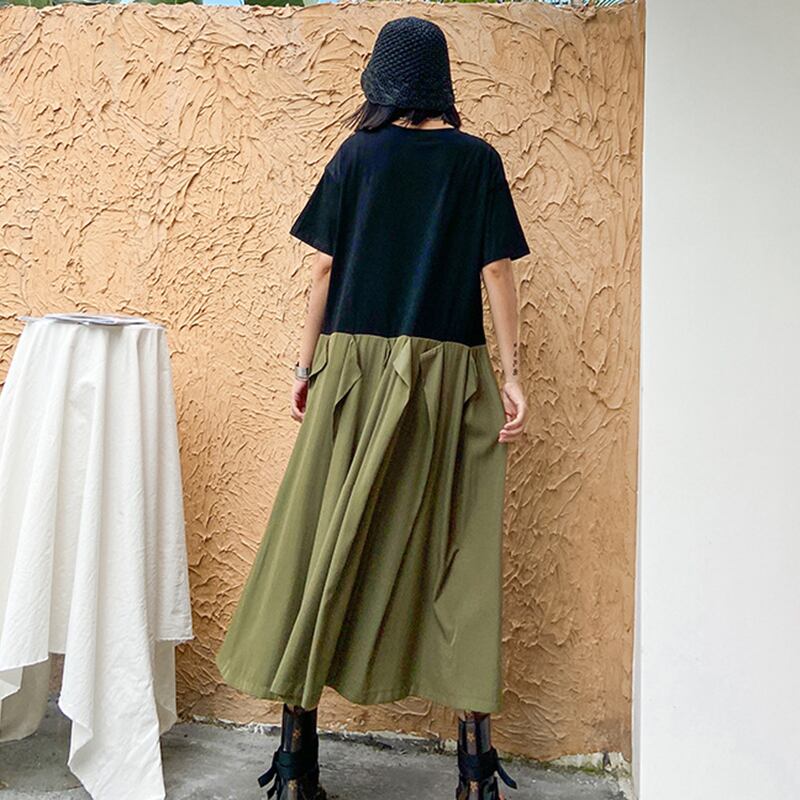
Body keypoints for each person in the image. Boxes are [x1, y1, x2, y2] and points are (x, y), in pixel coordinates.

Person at [215, 15, 530, 800]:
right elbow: (496, 272)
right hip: (448, 374)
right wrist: (513, 374)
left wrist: (306, 366)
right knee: (458, 553)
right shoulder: (477, 161)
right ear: (442, 82)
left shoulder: (357, 154)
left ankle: (296, 762)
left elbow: (324, 270)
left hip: (352, 372)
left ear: (381, 81)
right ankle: (475, 774)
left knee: (320, 544)